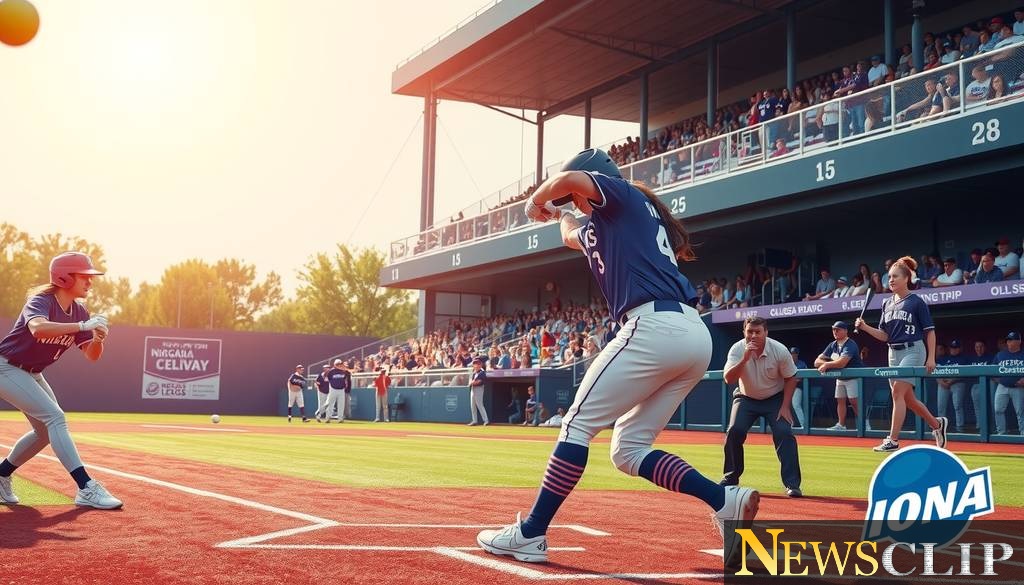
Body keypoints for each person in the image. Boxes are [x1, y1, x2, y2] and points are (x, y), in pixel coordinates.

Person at [477, 148, 758, 568]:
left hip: (654, 326)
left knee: (576, 425)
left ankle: (532, 532)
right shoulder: (604, 222)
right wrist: (558, 213)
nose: (576, 204)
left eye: (576, 200)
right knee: (628, 449)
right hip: (691, 336)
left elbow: (569, 182)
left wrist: (536, 201)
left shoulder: (622, 194)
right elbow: (570, 233)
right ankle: (724, 499)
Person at [0, 252, 122, 509]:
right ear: (64, 277)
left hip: (32, 372)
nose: (90, 281)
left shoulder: (79, 311)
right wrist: (82, 326)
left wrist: (98, 338)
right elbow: (38, 328)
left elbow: (91, 356)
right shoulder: (41, 300)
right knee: (55, 418)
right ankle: (85, 487)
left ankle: (1, 474)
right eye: (84, 276)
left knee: (45, 432)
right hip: (6, 367)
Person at [855, 256, 948, 452]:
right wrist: (865, 327)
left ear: (906, 278)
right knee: (907, 399)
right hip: (893, 352)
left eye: (895, 276)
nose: (891, 280)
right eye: (889, 276)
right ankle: (937, 424)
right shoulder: (886, 303)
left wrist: (931, 357)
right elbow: (884, 336)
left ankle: (893, 440)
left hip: (913, 349)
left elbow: (930, 331)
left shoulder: (916, 301)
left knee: (897, 392)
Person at [722, 317, 802, 498]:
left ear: (766, 332)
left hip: (775, 398)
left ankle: (792, 484)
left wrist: (785, 406)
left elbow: (791, 378)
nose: (753, 335)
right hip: (746, 397)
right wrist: (744, 359)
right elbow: (729, 379)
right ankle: (731, 478)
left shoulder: (779, 350)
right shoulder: (737, 348)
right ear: (744, 332)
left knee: (784, 433)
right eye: (749, 331)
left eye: (757, 332)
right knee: (734, 431)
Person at [815, 321, 864, 431]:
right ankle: (841, 425)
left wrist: (827, 364)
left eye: (838, 329)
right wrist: (828, 363)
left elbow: (842, 363)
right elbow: (816, 361)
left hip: (853, 377)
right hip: (840, 378)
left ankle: (865, 424)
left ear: (845, 331)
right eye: (833, 329)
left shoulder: (850, 344)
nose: (835, 331)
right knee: (840, 400)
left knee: (854, 402)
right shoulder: (833, 345)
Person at [992, 332, 1024, 435]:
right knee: (998, 410)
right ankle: (1001, 433)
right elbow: (991, 371)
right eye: (1008, 340)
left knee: (1020, 412)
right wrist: (1000, 380)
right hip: (1002, 387)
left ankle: (1023, 433)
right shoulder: (1000, 355)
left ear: (1019, 341)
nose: (1009, 342)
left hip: (1019, 387)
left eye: (1011, 340)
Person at [320, 359, 349, 423]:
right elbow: (326, 378)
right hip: (333, 389)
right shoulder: (331, 371)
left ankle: (340, 418)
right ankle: (328, 418)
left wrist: (345, 384)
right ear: (335, 365)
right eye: (338, 364)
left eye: (340, 364)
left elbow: (345, 379)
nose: (339, 365)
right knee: (330, 404)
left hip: (341, 390)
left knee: (341, 404)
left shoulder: (343, 371)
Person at [789, 347, 808, 429]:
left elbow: (800, 378)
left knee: (796, 405)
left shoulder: (802, 364)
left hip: (798, 387)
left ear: (797, 354)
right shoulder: (787, 363)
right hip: (787, 388)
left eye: (795, 354)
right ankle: (791, 423)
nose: (793, 355)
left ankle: (803, 424)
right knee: (786, 405)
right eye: (792, 354)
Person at [468, 357, 489, 426]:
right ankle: (474, 421)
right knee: (473, 406)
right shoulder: (474, 373)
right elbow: (471, 382)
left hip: (479, 389)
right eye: (474, 364)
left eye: (477, 364)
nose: (475, 365)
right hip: (473, 389)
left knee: (480, 405)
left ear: (480, 365)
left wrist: (472, 383)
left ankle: (486, 420)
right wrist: (472, 383)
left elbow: (479, 382)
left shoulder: (482, 373)